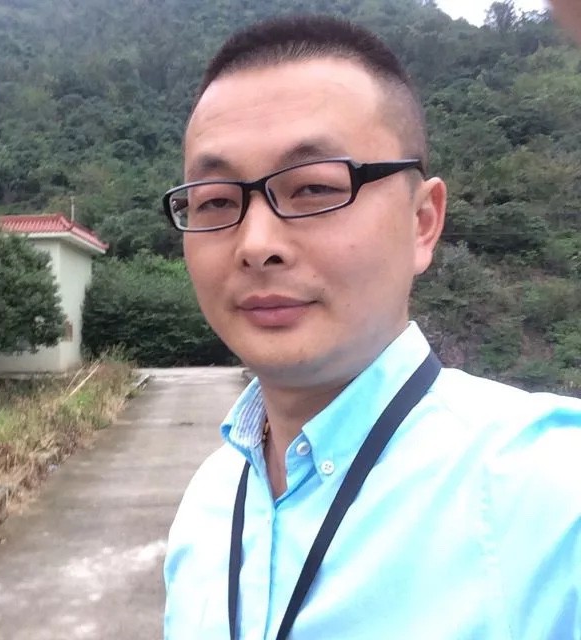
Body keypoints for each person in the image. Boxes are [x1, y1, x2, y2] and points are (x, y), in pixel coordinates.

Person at [162, 15, 581, 640]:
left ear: (422, 222)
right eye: (217, 200)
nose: (255, 244)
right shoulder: (209, 505)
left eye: (313, 188)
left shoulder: (546, 498)